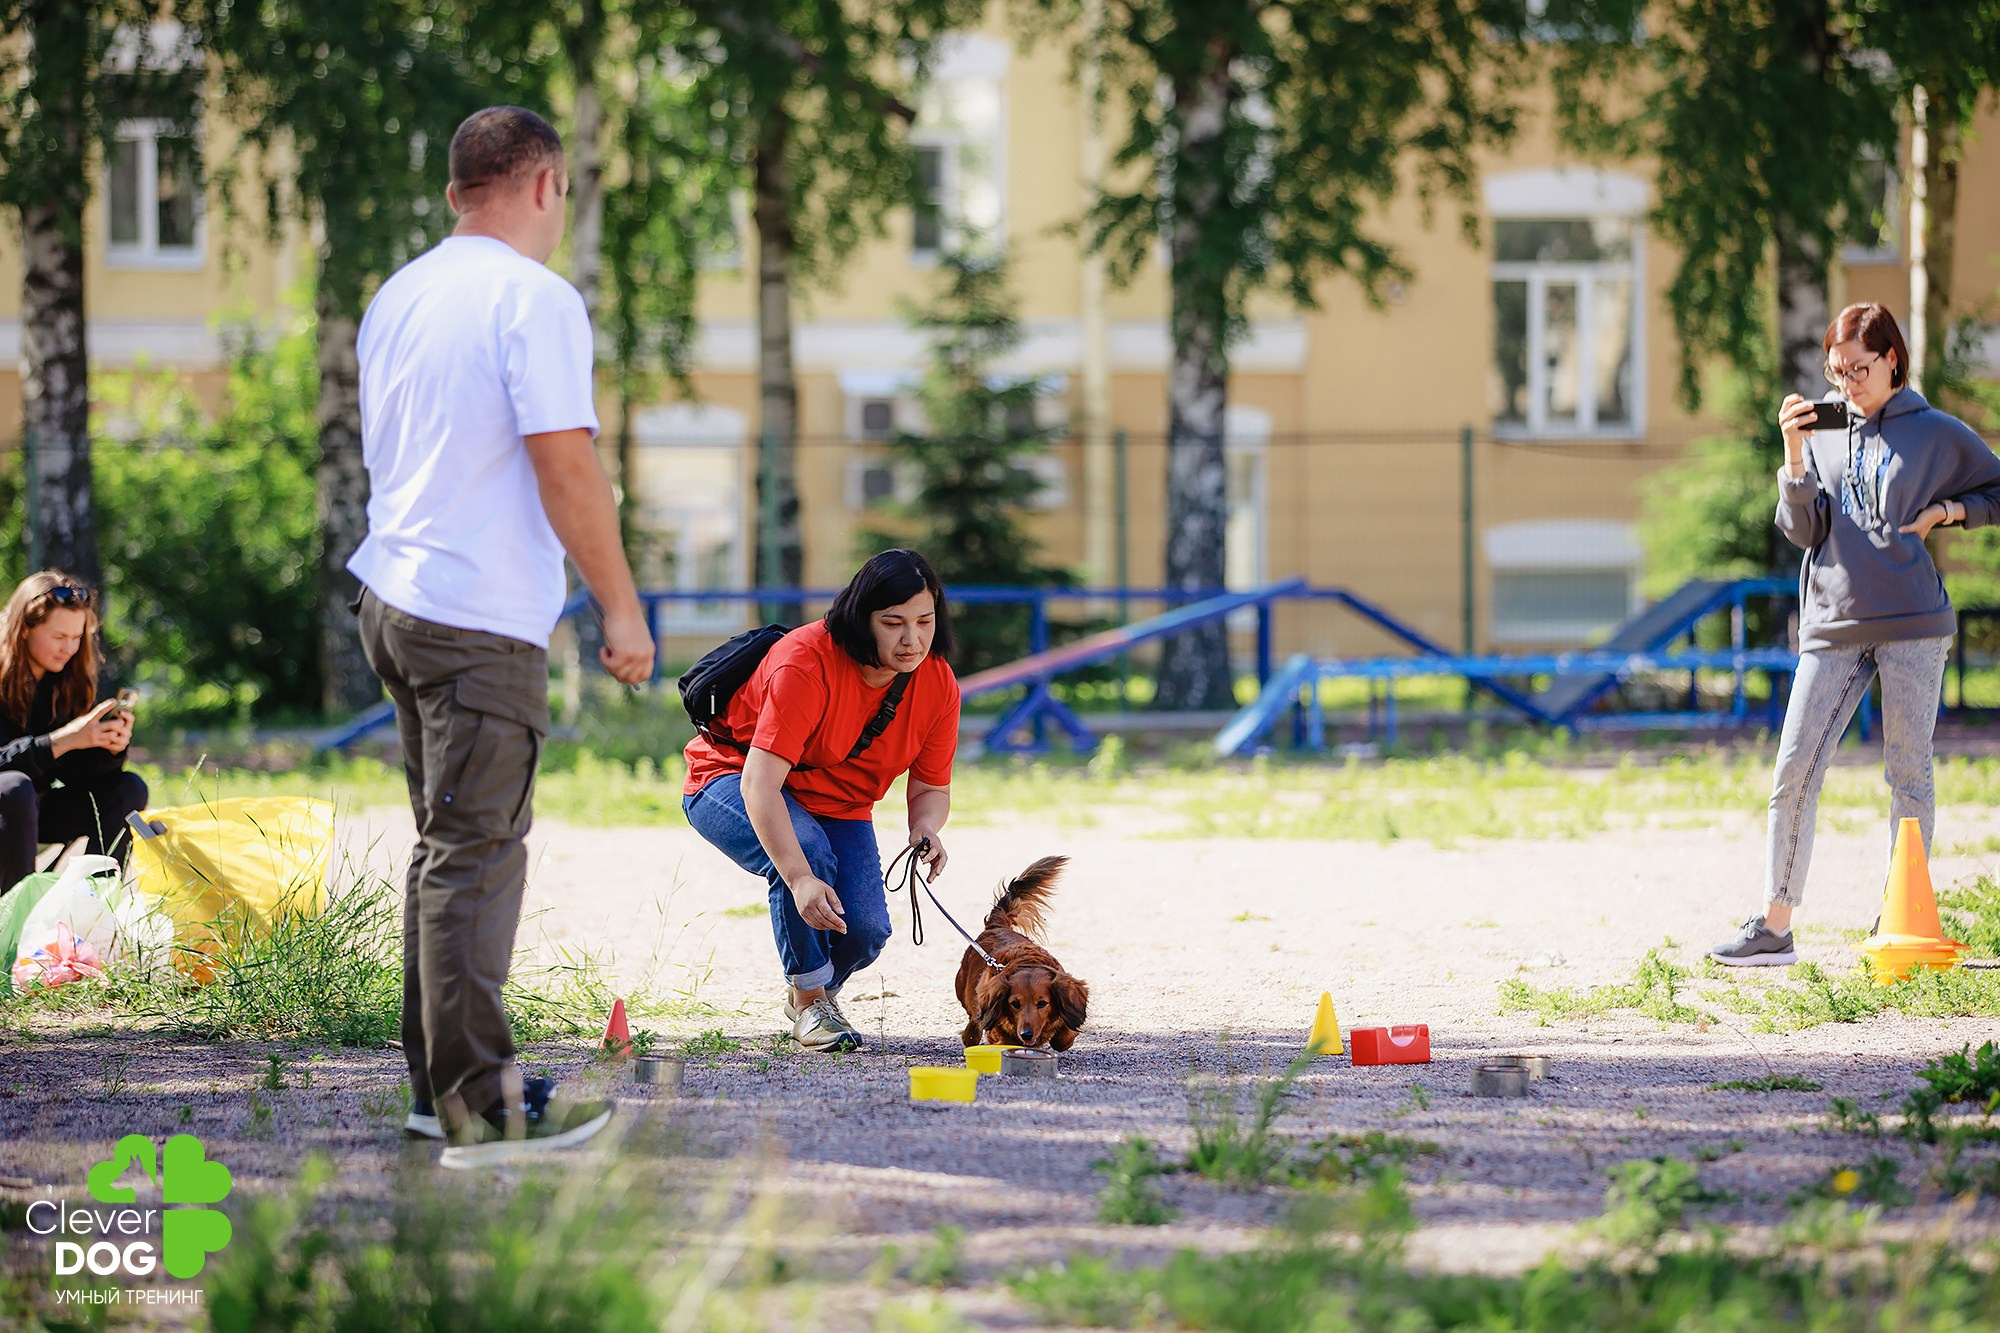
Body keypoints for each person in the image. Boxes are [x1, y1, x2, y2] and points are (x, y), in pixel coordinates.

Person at [350, 105, 656, 1166]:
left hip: (395, 595)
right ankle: (482, 1106)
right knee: (475, 858)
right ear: (545, 187)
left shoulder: (399, 294)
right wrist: (619, 605)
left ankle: (441, 1092)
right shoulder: (534, 298)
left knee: (447, 853)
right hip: (474, 615)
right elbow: (563, 462)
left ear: (453, 193)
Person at [1711, 303, 2000, 967]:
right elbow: (1806, 529)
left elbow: (1997, 487)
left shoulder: (1937, 432)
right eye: (1837, 372)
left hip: (1914, 625)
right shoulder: (1824, 426)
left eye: (1860, 370)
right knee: (1793, 770)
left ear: (1892, 358)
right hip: (1834, 622)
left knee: (1909, 775)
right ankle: (1774, 925)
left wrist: (1950, 511)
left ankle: (1903, 923)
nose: (1848, 384)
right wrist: (1793, 455)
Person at [682, 550, 962, 1051]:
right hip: (727, 780)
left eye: (924, 621)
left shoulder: (937, 681)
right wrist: (798, 878)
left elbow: (931, 786)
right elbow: (758, 784)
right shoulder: (807, 661)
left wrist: (926, 827)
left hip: (839, 804)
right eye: (893, 622)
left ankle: (813, 993)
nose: (912, 639)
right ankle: (811, 1002)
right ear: (862, 618)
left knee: (867, 930)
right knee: (806, 855)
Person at [0, 572, 147, 895]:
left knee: (128, 788)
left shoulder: (65, 681)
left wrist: (107, 747)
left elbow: (80, 776)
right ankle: (17, 919)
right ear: (24, 629)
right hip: (11, 802)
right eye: (58, 637)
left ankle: (93, 907)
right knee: (15, 787)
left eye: (76, 637)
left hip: (32, 809)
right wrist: (63, 740)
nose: (68, 648)